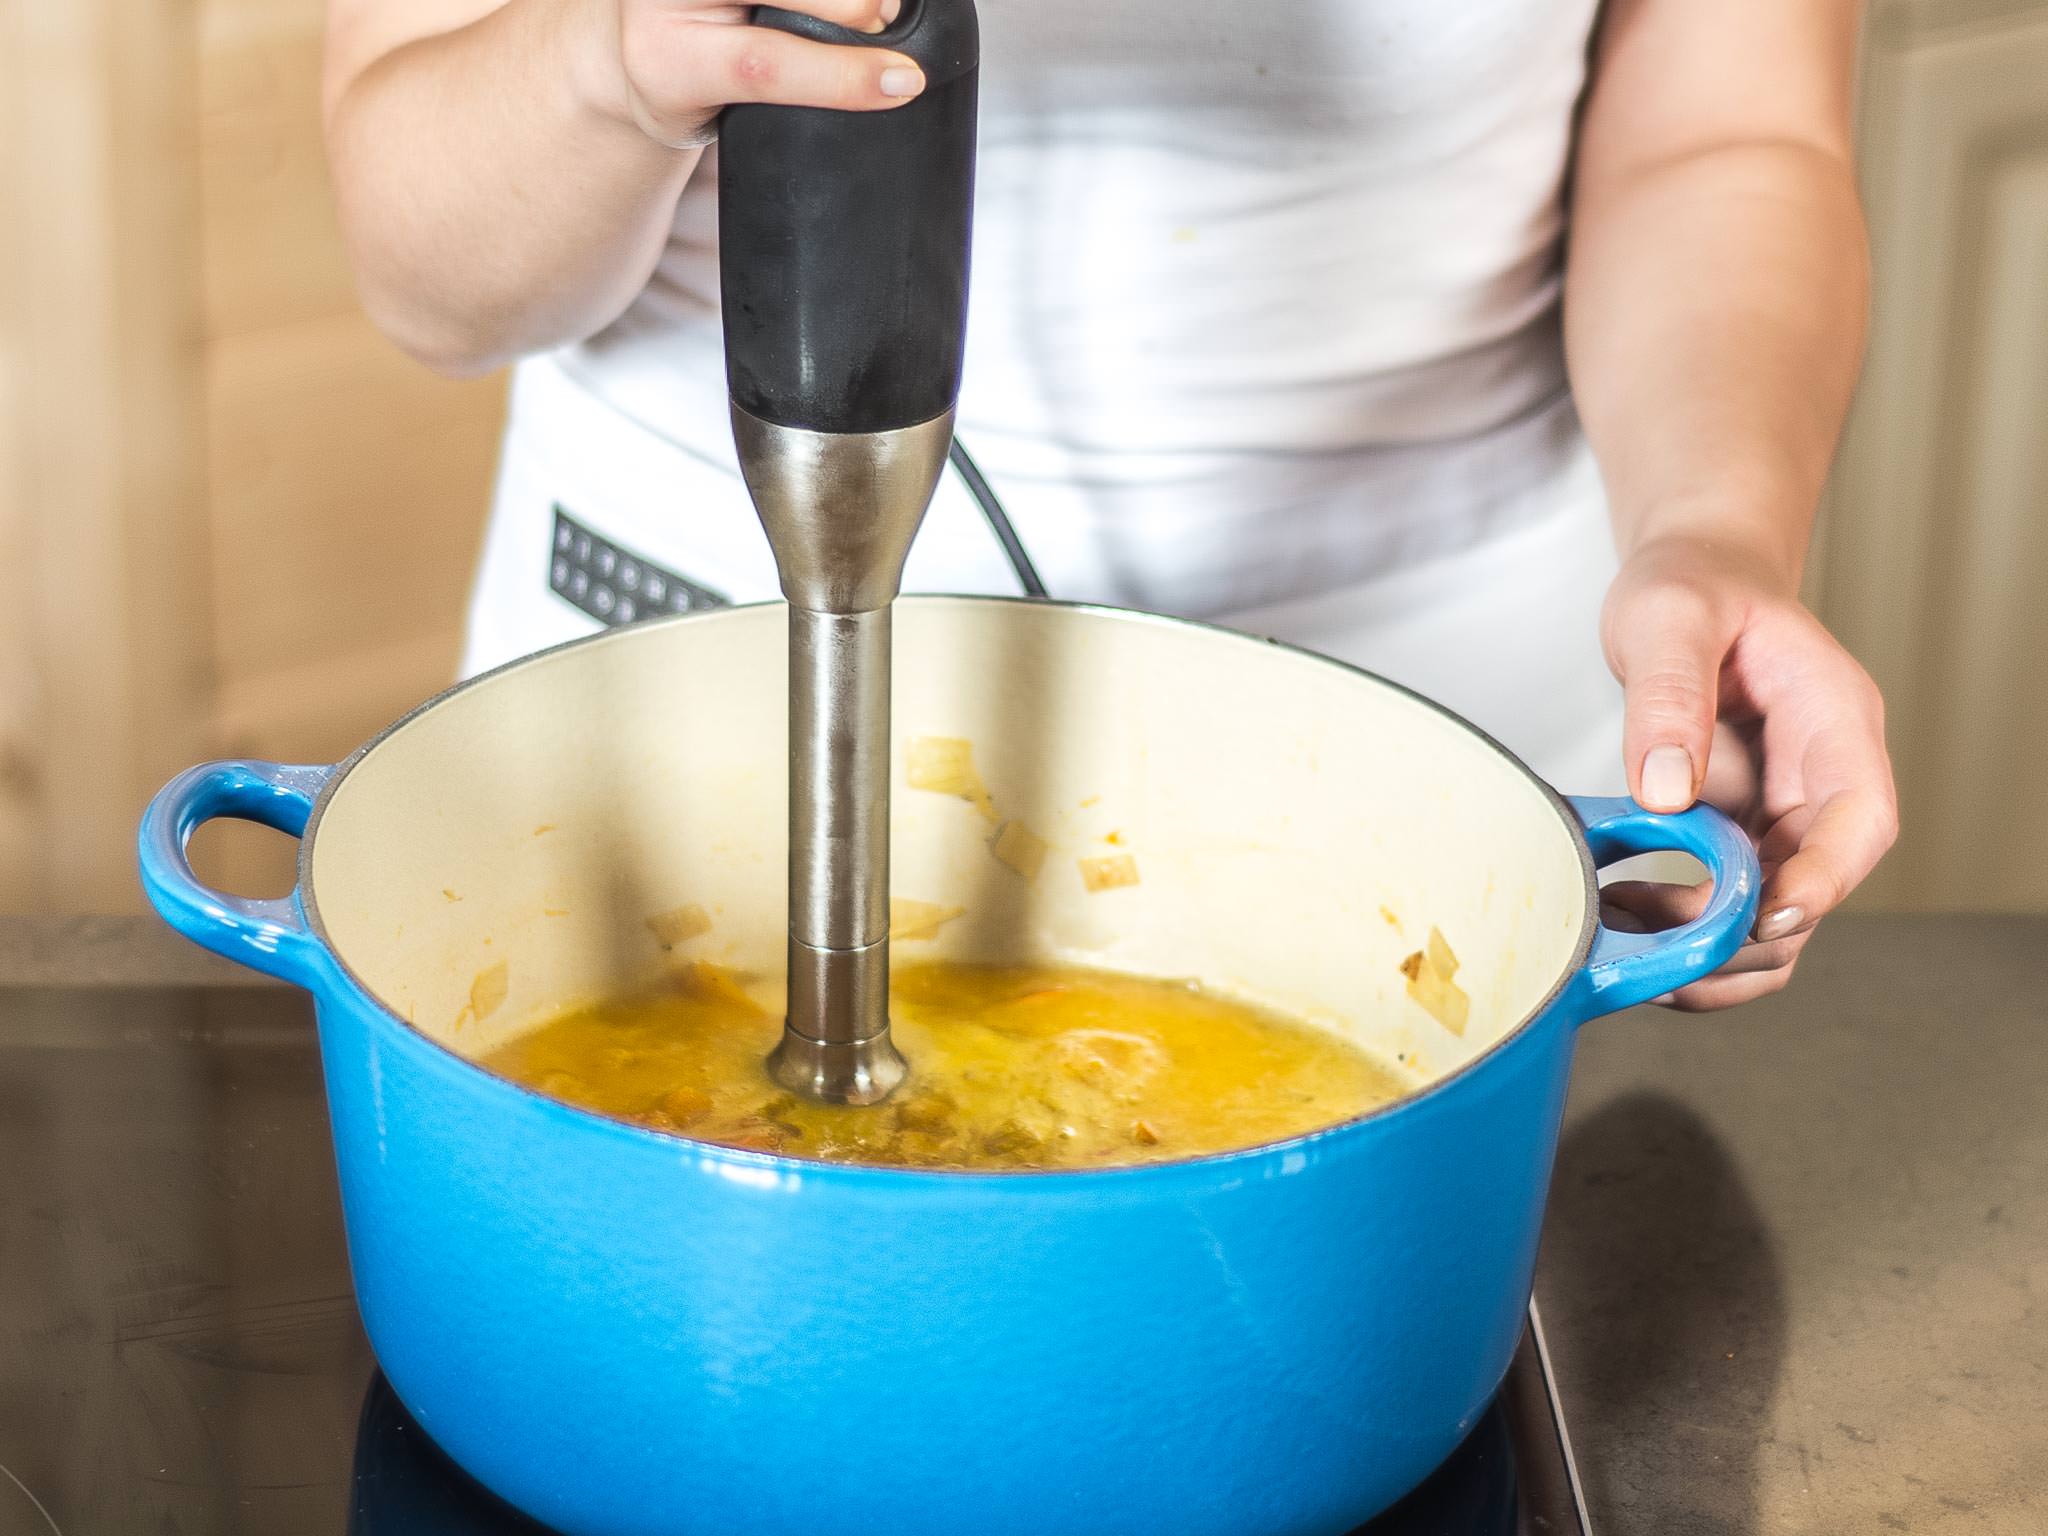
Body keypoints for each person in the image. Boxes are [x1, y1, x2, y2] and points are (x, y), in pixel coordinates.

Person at [322, 0, 1897, 1010]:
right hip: (671, 723)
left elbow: (1726, 134)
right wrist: (604, 66)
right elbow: (425, 273)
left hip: (1443, 768)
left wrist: (1716, 526)